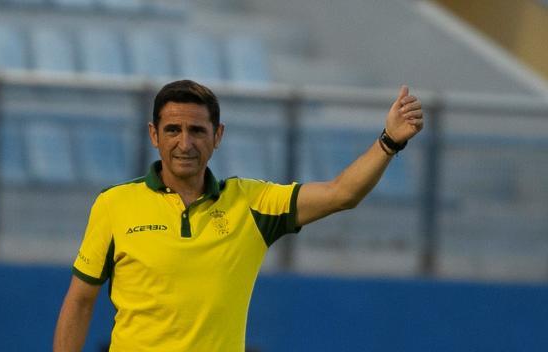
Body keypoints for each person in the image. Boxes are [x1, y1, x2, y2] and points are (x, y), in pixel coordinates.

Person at [53, 80, 424, 351]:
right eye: (173, 130)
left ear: (218, 136)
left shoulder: (252, 203)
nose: (185, 143)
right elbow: (80, 300)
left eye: (198, 130)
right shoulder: (114, 204)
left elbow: (342, 193)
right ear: (154, 134)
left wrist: (389, 141)